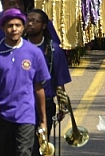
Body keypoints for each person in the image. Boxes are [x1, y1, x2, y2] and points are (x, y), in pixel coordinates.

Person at [0, 9, 49, 156]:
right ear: (3, 28)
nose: (14, 29)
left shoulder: (34, 53)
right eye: (10, 25)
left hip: (26, 115)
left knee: (24, 153)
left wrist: (43, 120)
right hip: (1, 115)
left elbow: (39, 88)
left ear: (23, 27)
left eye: (18, 25)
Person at [24, 8, 71, 138]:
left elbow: (59, 80)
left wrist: (62, 105)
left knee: (40, 145)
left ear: (44, 26)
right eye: (28, 20)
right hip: (22, 104)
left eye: (35, 21)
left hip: (46, 104)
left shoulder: (54, 50)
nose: (30, 24)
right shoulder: (18, 47)